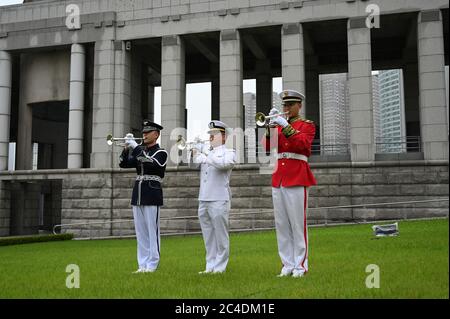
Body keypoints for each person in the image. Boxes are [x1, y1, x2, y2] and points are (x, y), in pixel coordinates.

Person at [261, 90, 317, 278]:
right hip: (279, 176)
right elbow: (267, 148)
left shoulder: (307, 125)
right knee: (282, 224)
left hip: (297, 174)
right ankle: (287, 264)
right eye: (284, 105)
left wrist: (285, 126)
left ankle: (300, 265)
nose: (286, 109)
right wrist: (269, 127)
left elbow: (304, 145)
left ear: (299, 105)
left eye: (290, 105)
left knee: (297, 224)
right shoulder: (278, 126)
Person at [119, 120, 168, 274]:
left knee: (152, 231)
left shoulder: (161, 153)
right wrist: (127, 149)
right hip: (138, 194)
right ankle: (142, 265)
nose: (144, 134)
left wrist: (136, 147)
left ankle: (152, 264)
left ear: (156, 134)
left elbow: (152, 164)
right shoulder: (141, 150)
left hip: (152, 194)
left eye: (148, 132)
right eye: (144, 132)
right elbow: (124, 164)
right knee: (141, 233)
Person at [191, 120, 236, 274]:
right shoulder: (206, 152)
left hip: (219, 198)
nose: (210, 137)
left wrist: (205, 153)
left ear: (223, 137)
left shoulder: (229, 153)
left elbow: (223, 165)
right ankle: (210, 265)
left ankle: (220, 267)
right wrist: (194, 152)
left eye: (214, 134)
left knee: (220, 235)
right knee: (208, 235)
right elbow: (194, 166)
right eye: (210, 134)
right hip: (203, 197)